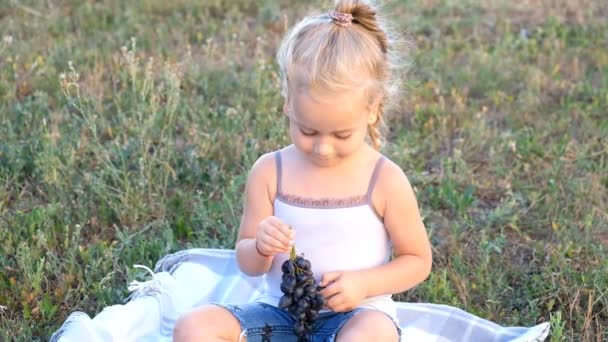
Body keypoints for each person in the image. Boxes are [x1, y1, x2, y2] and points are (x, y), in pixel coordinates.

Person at [173, 0, 432, 341]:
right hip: (280, 312)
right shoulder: (270, 172)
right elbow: (248, 263)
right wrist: (261, 247)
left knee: (369, 336)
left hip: (356, 315)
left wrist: (364, 283)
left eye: (342, 134)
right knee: (193, 327)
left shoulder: (383, 179)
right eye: (307, 130)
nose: (322, 147)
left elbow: (417, 259)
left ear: (373, 110)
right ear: (287, 104)